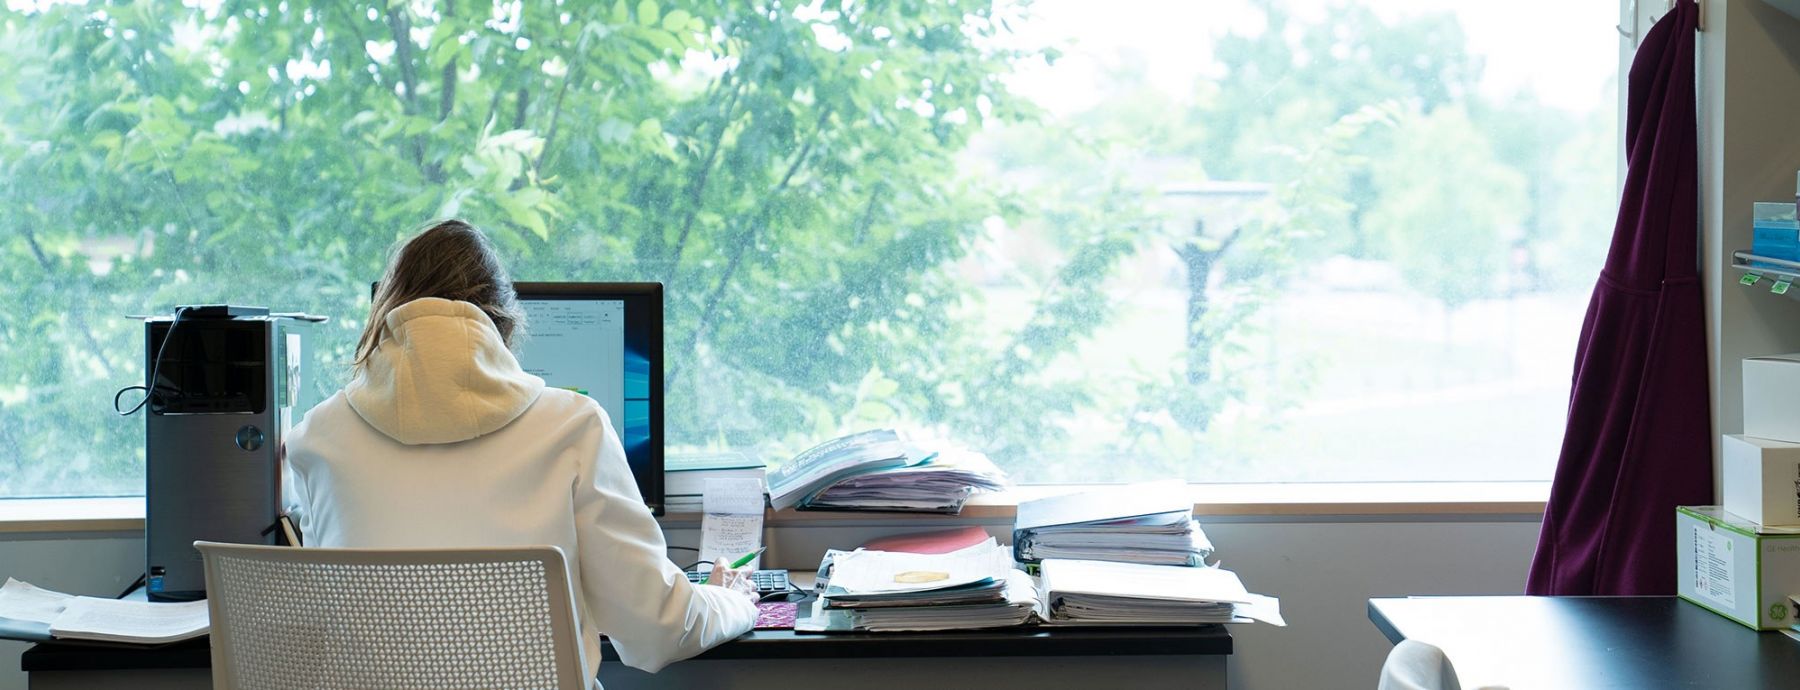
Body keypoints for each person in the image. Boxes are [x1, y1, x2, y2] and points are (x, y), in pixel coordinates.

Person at [283, 220, 757, 681]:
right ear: (503, 327)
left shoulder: (317, 437)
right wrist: (731, 600)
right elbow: (656, 629)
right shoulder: (573, 426)